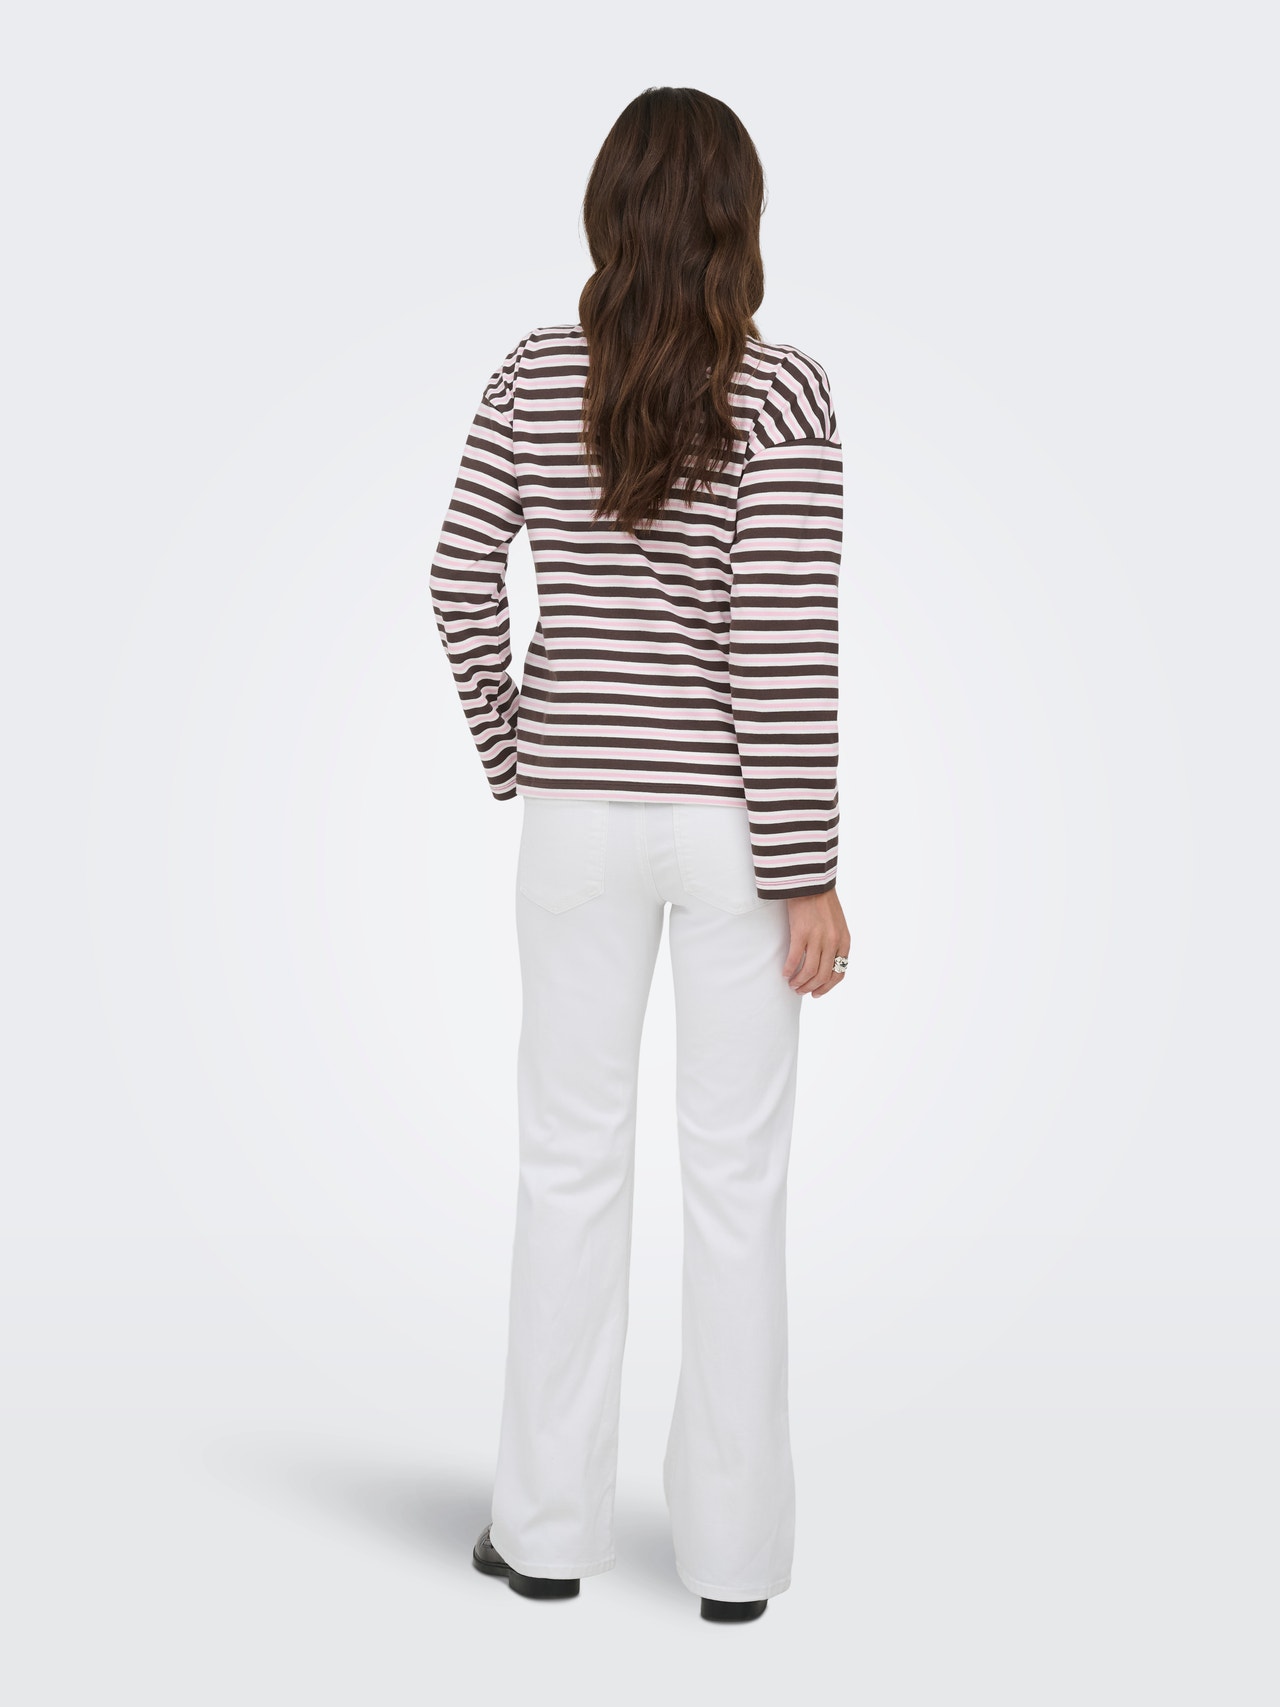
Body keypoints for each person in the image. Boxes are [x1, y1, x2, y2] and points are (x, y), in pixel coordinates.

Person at [429, 86, 849, 1624]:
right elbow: (779, 651)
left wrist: (519, 749)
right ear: (743, 221)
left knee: (568, 1165)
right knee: (736, 1186)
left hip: (575, 826)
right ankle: (731, 1566)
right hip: (735, 833)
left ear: (606, 211)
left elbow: (458, 577)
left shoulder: (535, 374)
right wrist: (807, 872)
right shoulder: (784, 395)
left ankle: (544, 1534)